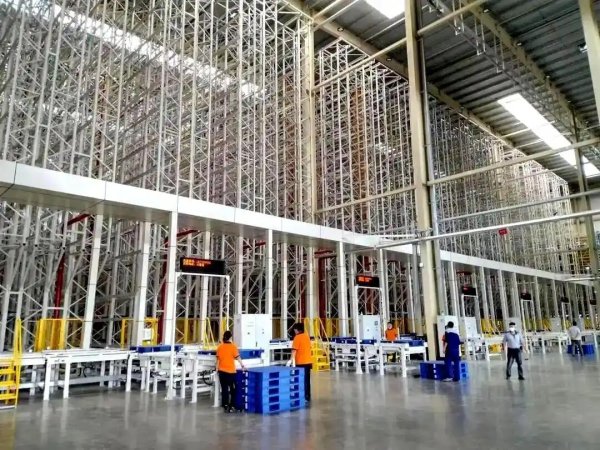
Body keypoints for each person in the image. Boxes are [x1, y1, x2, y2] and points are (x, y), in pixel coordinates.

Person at [216, 330, 246, 413]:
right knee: (233, 390)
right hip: (230, 372)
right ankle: (232, 406)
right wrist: (243, 366)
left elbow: (217, 360)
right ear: (230, 337)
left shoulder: (220, 347)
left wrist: (217, 369)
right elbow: (238, 358)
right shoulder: (233, 347)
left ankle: (225, 405)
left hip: (221, 372)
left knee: (224, 389)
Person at [288, 323, 312, 403]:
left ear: (296, 330)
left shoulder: (297, 337)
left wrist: (290, 360)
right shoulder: (306, 336)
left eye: (294, 330)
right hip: (308, 361)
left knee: (300, 380)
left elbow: (294, 350)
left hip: (301, 362)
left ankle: (301, 397)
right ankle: (307, 397)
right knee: (307, 380)